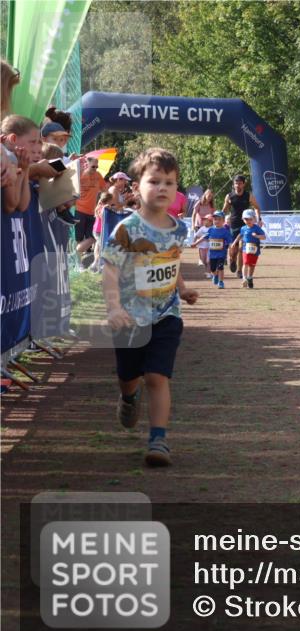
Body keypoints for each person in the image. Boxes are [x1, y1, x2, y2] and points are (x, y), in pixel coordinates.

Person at [101, 148, 198, 467]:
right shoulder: (126, 229)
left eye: (169, 182)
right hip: (130, 318)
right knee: (129, 376)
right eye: (154, 181)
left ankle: (159, 439)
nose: (162, 188)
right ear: (138, 186)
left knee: (157, 377)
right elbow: (110, 270)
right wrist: (114, 308)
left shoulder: (179, 229)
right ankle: (128, 397)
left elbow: (171, 260)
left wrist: (182, 289)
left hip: (166, 315)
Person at [222, 174, 262, 276]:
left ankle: (240, 271)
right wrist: (219, 220)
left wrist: (258, 219)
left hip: (245, 225)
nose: (238, 185)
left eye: (240, 183)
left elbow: (257, 207)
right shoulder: (229, 196)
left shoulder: (248, 195)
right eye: (236, 183)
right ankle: (232, 260)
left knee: (241, 248)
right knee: (233, 249)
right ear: (233, 184)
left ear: (244, 184)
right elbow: (224, 210)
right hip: (233, 224)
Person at [76, 154, 107, 256]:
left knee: (92, 237)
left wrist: (103, 201)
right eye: (93, 166)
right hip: (79, 210)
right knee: (79, 238)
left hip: (92, 212)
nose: (95, 169)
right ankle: (78, 261)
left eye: (96, 167)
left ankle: (83, 256)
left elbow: (104, 190)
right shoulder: (80, 175)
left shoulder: (98, 176)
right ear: (87, 165)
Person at [238, 208, 266, 288]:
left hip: (255, 250)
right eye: (246, 219)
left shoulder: (257, 228)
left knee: (252, 265)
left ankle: (250, 277)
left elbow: (264, 237)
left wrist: (257, 236)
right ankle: (244, 278)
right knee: (245, 263)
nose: (248, 221)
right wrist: (235, 242)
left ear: (254, 219)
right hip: (245, 249)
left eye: (250, 219)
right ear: (243, 219)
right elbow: (240, 235)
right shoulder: (243, 228)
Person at [205, 210, 233, 289]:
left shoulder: (225, 231)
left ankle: (221, 282)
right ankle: (215, 275)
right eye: (215, 219)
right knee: (213, 268)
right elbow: (205, 237)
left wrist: (231, 249)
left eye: (219, 219)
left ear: (223, 221)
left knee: (220, 267)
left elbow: (230, 241)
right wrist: (196, 242)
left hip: (221, 253)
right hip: (212, 254)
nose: (216, 221)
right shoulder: (211, 230)